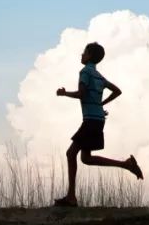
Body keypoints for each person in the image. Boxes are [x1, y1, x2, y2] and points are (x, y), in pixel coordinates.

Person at [53, 42, 143, 207]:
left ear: (89, 56)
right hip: (98, 120)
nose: (81, 54)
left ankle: (71, 197)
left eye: (84, 52)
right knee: (85, 158)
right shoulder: (99, 76)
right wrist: (101, 105)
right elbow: (117, 91)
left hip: (91, 120)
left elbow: (82, 94)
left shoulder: (85, 72)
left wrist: (64, 93)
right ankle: (126, 164)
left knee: (71, 153)